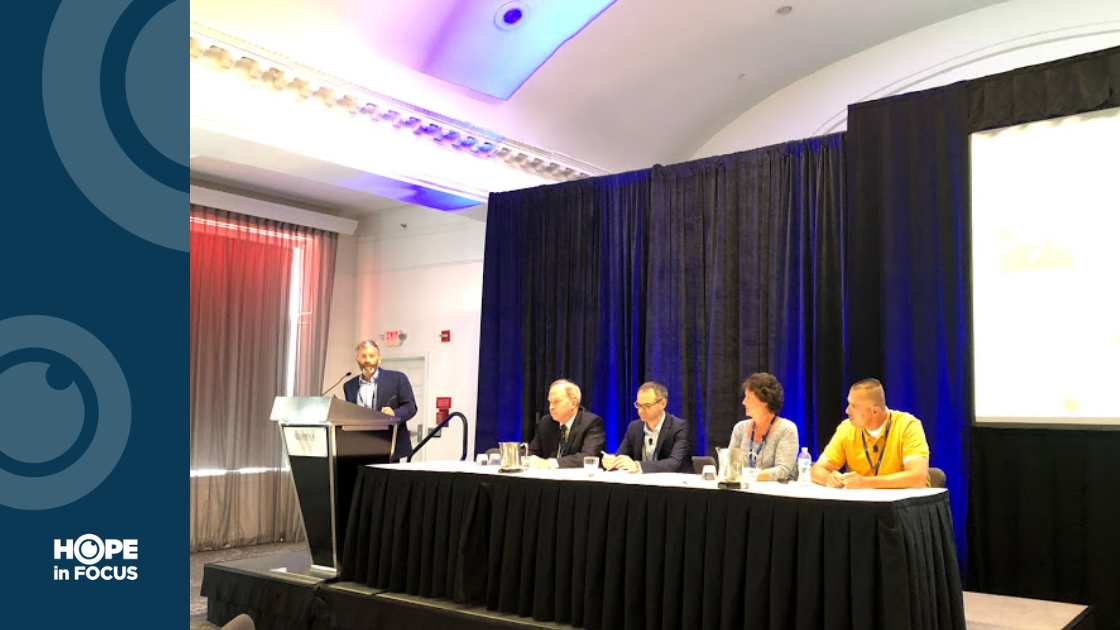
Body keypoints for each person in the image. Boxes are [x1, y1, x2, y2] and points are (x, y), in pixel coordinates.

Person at [811, 378, 930, 489]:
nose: (847, 410)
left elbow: (918, 478)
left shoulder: (907, 426)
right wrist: (830, 479)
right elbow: (817, 470)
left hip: (902, 507)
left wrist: (866, 482)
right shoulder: (846, 429)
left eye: (853, 406)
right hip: (862, 507)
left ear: (875, 411)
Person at [342, 340, 418, 462]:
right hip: (359, 448)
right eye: (363, 356)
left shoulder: (397, 379)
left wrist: (394, 413)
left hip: (388, 446)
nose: (367, 360)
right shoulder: (349, 385)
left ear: (379, 359)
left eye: (372, 356)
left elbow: (411, 407)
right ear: (357, 359)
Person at [602, 382, 691, 473]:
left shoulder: (679, 427)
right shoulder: (634, 428)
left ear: (663, 404)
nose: (640, 411)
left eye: (647, 406)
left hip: (676, 483)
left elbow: (675, 463)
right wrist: (612, 462)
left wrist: (638, 466)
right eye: (638, 405)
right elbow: (621, 456)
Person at [727, 373, 799, 481]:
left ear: (765, 400)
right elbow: (731, 467)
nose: (744, 402)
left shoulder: (786, 429)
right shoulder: (740, 428)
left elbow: (782, 471)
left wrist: (751, 476)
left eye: (749, 397)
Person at [527, 379, 606, 469]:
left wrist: (549, 463)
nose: (551, 407)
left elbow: (588, 457)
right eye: (550, 402)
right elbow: (532, 451)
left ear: (573, 403)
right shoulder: (546, 422)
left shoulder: (592, 423)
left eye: (557, 402)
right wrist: (528, 459)